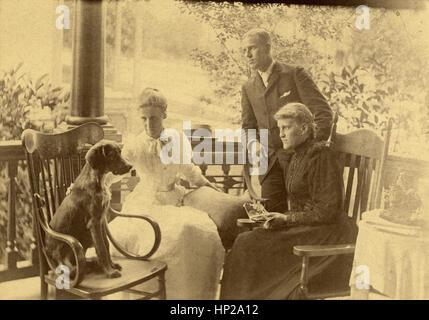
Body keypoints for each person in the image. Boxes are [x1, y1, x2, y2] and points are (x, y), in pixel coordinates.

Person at [220, 102, 357, 300]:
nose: (281, 134)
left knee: (249, 245)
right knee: (246, 242)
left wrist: (286, 220)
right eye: (280, 129)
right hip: (309, 227)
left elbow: (328, 210)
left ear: (303, 128)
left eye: (286, 128)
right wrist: (277, 217)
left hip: (329, 232)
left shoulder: (321, 156)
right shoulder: (296, 156)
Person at [108, 88, 224, 299]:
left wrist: (208, 185)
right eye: (143, 118)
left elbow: (189, 170)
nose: (148, 123)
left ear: (164, 115)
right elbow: (114, 171)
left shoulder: (175, 139)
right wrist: (92, 183)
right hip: (144, 202)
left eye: (153, 117)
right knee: (141, 237)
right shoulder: (135, 145)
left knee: (189, 231)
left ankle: (184, 298)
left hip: (173, 200)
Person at [241, 28, 333, 212]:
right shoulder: (248, 87)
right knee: (270, 218)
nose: (247, 55)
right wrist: (253, 143)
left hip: (299, 161)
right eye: (244, 50)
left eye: (252, 48)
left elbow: (323, 113)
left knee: (302, 218)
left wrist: (310, 151)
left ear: (267, 48)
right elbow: (248, 126)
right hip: (270, 164)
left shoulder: (294, 74)